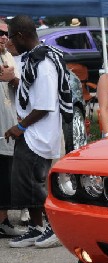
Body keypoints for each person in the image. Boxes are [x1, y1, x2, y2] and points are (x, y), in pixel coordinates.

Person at [3, 15, 73, 248]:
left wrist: (19, 127)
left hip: (38, 132)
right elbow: (29, 91)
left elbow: (44, 106)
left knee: (33, 184)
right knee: (24, 183)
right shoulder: (32, 59)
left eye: (11, 36)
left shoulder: (43, 64)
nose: (10, 41)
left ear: (21, 36)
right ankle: (36, 228)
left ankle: (55, 228)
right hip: (32, 131)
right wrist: (14, 80)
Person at [0, 20, 23, 237]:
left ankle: (3, 219)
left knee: (5, 174)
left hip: (7, 125)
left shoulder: (8, 57)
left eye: (6, 34)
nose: (3, 37)